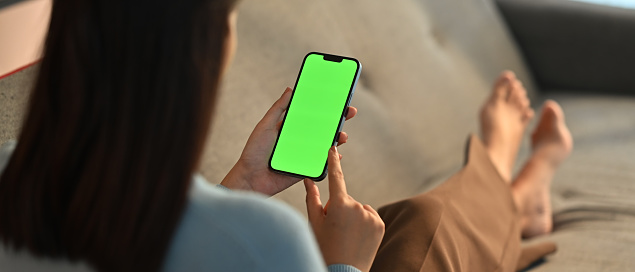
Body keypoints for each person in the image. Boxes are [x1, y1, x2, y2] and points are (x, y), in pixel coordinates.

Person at [0, 0, 572, 272]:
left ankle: (515, 198)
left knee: (411, 220)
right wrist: (341, 266)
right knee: (428, 230)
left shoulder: (10, 173)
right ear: (205, 55)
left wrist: (244, 182)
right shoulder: (260, 242)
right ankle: (504, 174)